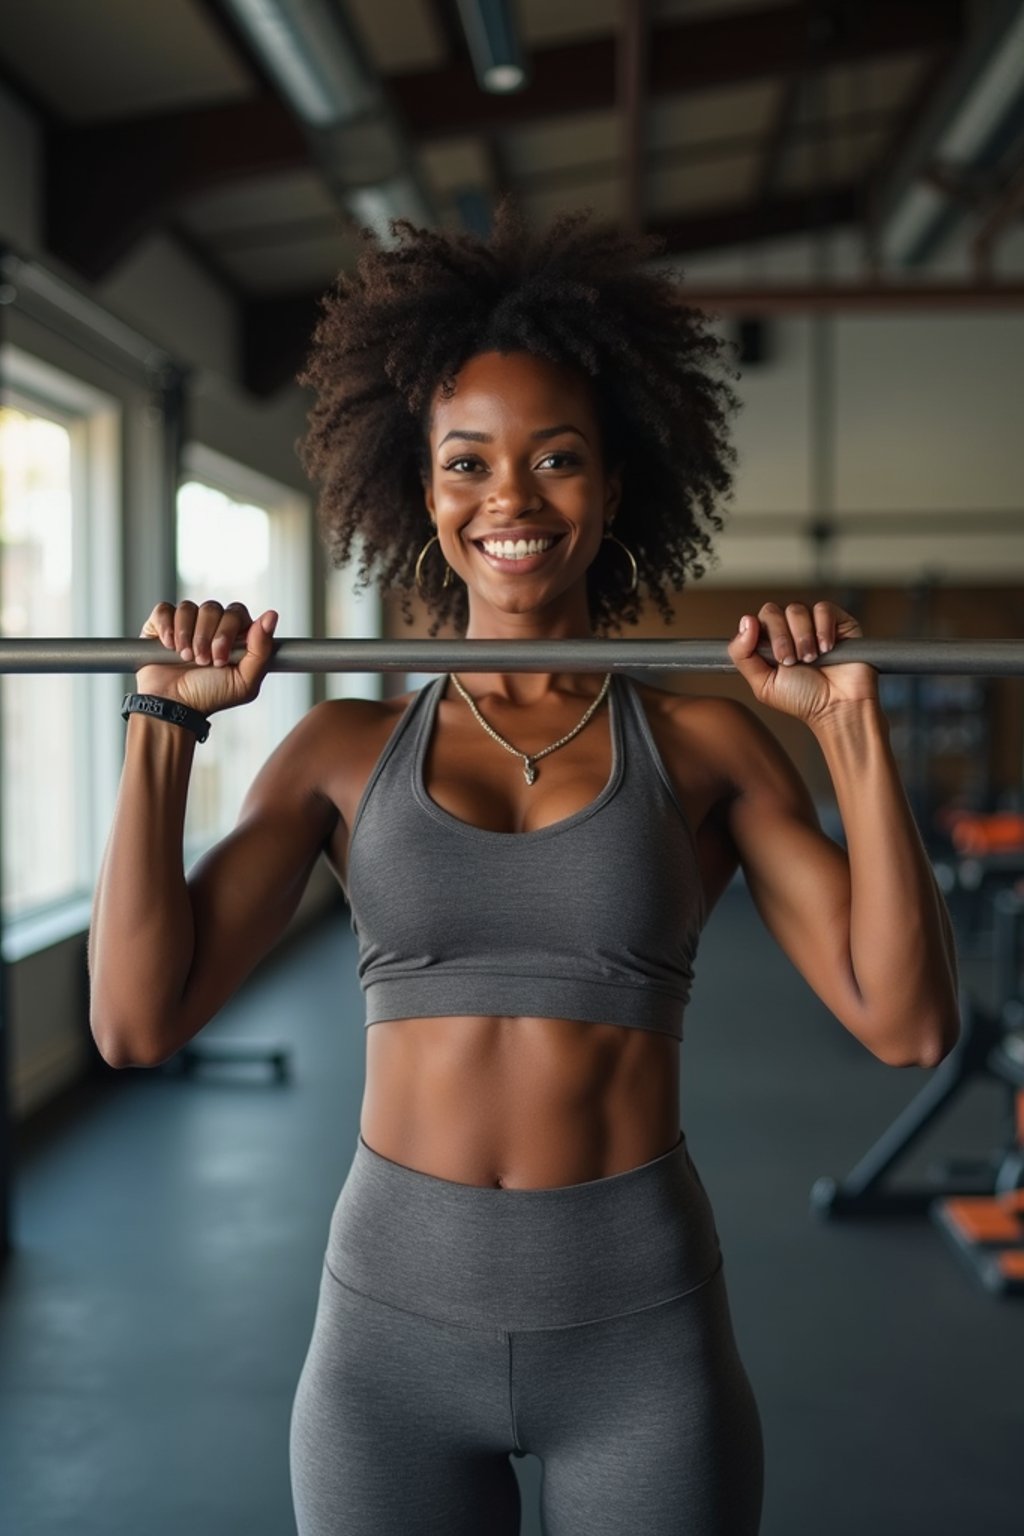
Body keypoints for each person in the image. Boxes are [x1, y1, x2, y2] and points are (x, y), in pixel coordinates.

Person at [89, 200, 960, 1536]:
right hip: (386, 1343)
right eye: (467, 462)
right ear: (417, 487)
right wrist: (163, 720)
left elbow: (905, 1024)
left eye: (556, 459)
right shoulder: (338, 748)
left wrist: (852, 733)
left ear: (614, 486)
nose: (510, 498)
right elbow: (137, 1021)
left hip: (638, 1340)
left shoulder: (706, 741)